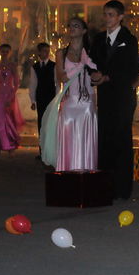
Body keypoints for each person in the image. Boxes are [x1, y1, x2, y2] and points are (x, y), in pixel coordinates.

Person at [89, 0, 139, 200]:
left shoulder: (129, 39)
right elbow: (91, 62)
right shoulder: (98, 39)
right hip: (105, 96)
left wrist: (108, 77)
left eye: (111, 15)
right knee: (104, 139)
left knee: (122, 139)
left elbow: (131, 69)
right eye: (105, 14)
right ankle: (105, 187)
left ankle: (122, 189)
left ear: (120, 17)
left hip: (123, 96)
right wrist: (94, 74)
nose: (107, 18)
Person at [54, 18, 98, 171]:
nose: (72, 28)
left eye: (76, 25)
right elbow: (62, 77)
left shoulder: (92, 52)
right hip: (69, 103)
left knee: (86, 141)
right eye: (70, 25)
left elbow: (96, 75)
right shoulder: (61, 53)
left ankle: (87, 176)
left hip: (87, 103)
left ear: (84, 31)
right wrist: (81, 64)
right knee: (68, 142)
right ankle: (67, 176)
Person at [0, 44, 23, 156]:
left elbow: (16, 83)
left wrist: (11, 97)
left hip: (9, 96)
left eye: (7, 51)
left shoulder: (12, 66)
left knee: (9, 121)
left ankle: (10, 147)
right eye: (3, 51)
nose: (5, 53)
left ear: (10, 52)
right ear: (0, 52)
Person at [28, 42, 58, 147]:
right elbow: (33, 84)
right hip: (40, 97)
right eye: (44, 51)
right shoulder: (35, 67)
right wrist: (33, 100)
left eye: (48, 51)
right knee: (41, 122)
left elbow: (57, 83)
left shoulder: (54, 66)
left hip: (51, 97)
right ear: (39, 52)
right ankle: (42, 149)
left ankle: (51, 148)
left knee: (51, 122)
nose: (47, 53)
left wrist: (57, 99)